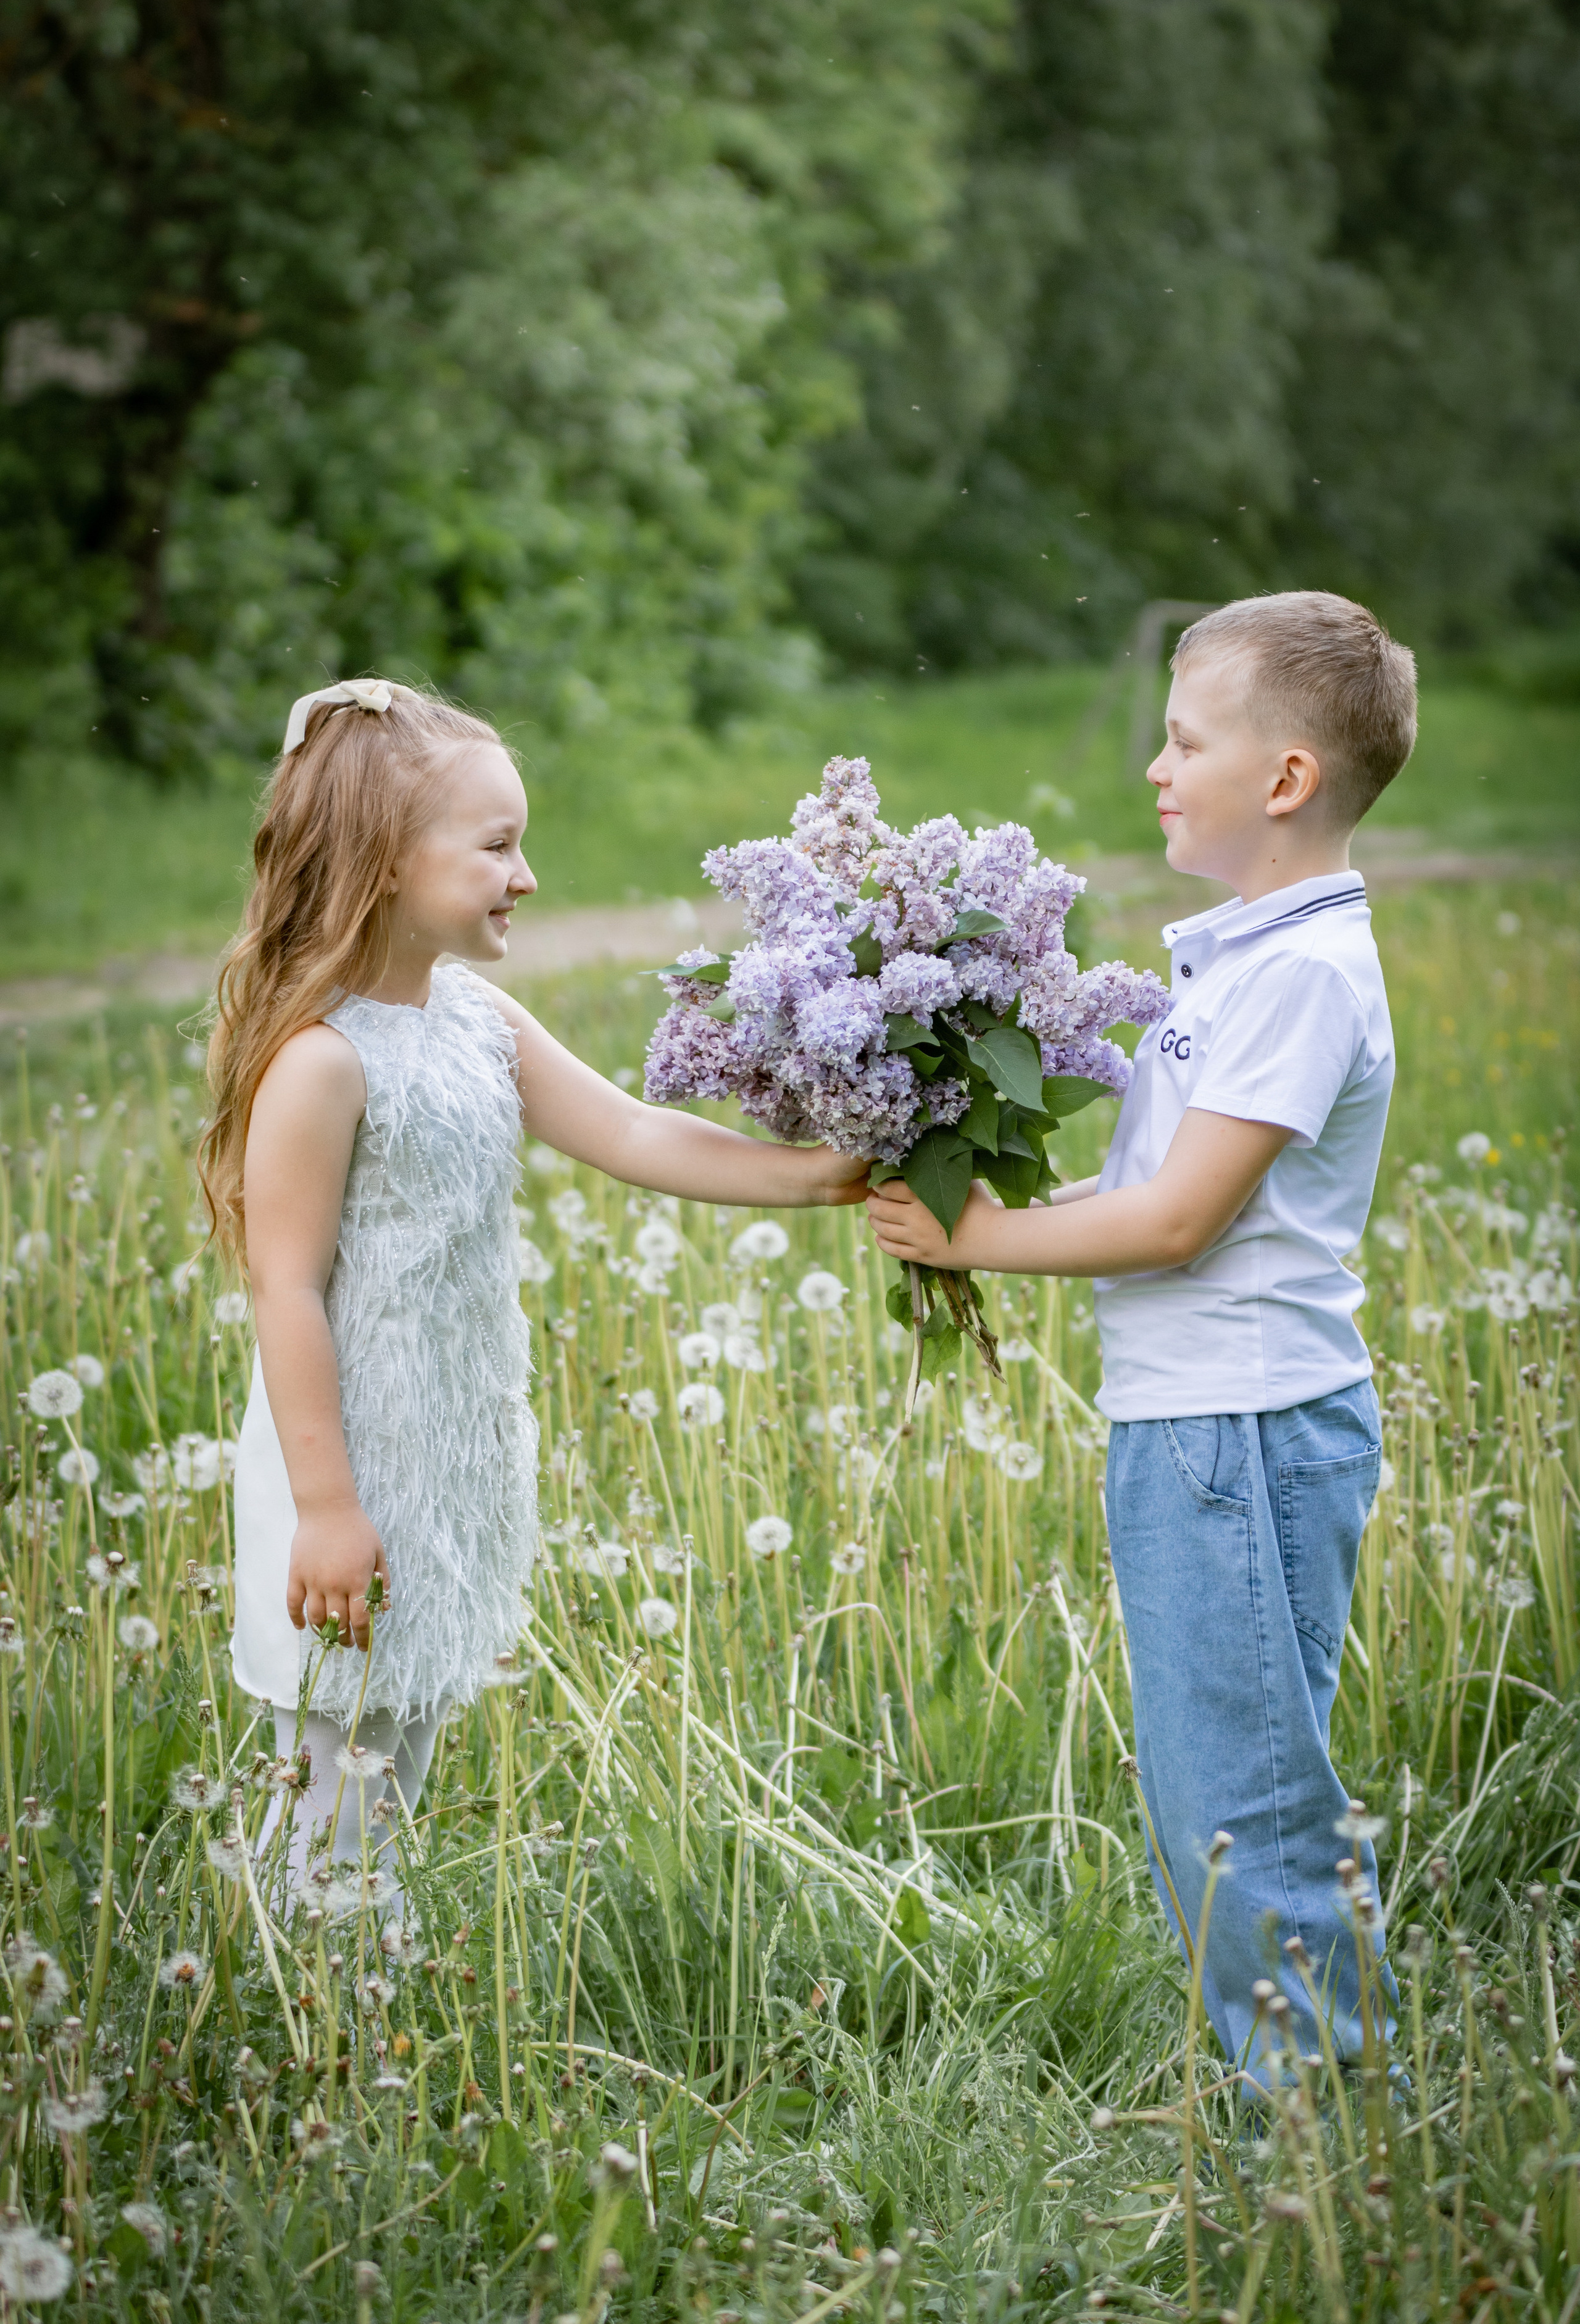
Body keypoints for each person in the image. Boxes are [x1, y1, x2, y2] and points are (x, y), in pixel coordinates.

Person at [867, 591, 1416, 2086]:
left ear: (1285, 781)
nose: (1156, 769)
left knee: (1240, 1807)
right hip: (1196, 1426)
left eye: (1184, 743)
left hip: (1237, 1431)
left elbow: (1177, 1220)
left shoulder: (1299, 975)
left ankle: (1319, 2138)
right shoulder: (1241, 957)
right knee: (1217, 1794)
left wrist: (964, 1236)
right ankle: (1306, 2115)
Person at [200, 678, 867, 1907]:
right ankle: (325, 2022)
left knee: (396, 1749)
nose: (528, 876)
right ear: (382, 865)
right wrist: (328, 1508)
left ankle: (353, 1999)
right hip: (348, 1466)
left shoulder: (474, 1020)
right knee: (337, 1771)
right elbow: (282, 1290)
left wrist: (827, 1176)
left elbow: (631, 1131)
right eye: (497, 847)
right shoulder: (319, 1063)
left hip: (446, 1451)